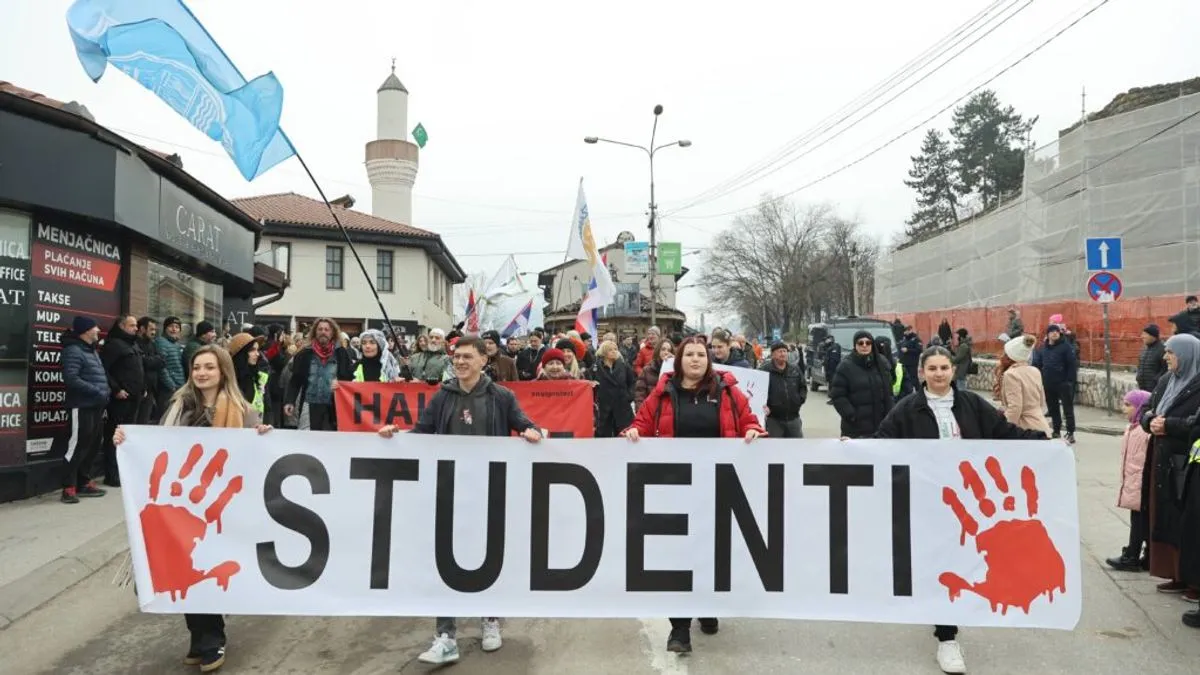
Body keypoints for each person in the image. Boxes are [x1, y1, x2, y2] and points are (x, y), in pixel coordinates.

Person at [871, 345, 1048, 674]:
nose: (939, 374)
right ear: (922, 372)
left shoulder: (970, 404)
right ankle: (947, 637)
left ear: (953, 371)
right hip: (929, 502)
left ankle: (950, 615)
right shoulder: (908, 408)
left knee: (966, 561)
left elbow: (1003, 433)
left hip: (970, 504)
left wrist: (1043, 442)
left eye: (944, 368)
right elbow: (883, 442)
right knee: (941, 563)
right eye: (932, 368)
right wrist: (850, 449)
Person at [377, 336, 543, 665]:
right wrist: (396, 439)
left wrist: (533, 432)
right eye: (457, 356)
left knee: (489, 555)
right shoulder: (444, 396)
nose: (460, 362)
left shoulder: (501, 396)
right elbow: (422, 433)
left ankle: (490, 619)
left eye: (468, 356)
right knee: (446, 561)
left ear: (484, 360)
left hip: (489, 490)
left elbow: (526, 425)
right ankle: (445, 635)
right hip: (450, 489)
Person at [113, 345, 272, 672]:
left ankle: (212, 640)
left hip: (221, 509)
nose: (201, 373)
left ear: (222, 371)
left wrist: (263, 435)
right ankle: (201, 638)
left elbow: (256, 457)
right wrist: (126, 439)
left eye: (209, 367)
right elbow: (157, 445)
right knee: (184, 570)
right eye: (197, 367)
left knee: (206, 571)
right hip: (182, 508)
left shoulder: (243, 410)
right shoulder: (177, 407)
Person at [620, 335, 764, 653]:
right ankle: (680, 628)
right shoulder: (662, 393)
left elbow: (749, 420)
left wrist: (753, 429)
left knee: (712, 552)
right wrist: (633, 432)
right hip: (675, 486)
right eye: (690, 355)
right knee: (679, 556)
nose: (696, 359)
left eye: (701, 354)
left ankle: (708, 607)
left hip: (717, 486)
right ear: (679, 360)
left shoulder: (727, 391)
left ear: (708, 360)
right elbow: (641, 423)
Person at [1140, 334, 1200, 601]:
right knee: (1164, 515)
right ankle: (1175, 573)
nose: (1165, 357)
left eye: (1171, 353)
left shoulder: (1197, 385)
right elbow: (1147, 410)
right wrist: (1150, 421)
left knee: (1187, 520)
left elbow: (1194, 424)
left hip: (1186, 462)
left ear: (1186, 355)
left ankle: (1193, 579)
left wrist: (1169, 425)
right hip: (1161, 457)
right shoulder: (1166, 381)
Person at [60, 316, 111, 504]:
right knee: (77, 445)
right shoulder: (73, 351)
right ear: (85, 330)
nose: (98, 330)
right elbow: (71, 378)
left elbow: (98, 376)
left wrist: (106, 391)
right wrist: (97, 391)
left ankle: (83, 482)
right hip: (81, 406)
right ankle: (68, 487)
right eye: (95, 327)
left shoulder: (91, 351)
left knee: (92, 444)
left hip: (96, 405)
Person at [1105, 389, 1153, 572]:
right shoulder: (1132, 428)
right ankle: (1145, 556)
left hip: (1140, 483)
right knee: (1141, 519)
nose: (1124, 408)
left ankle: (1132, 556)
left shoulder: (1144, 431)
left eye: (1128, 405)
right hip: (1133, 482)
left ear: (1140, 406)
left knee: (1140, 520)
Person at [99, 315, 148, 486]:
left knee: (128, 437)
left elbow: (139, 368)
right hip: (120, 400)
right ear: (121, 326)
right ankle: (112, 475)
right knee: (115, 437)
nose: (136, 328)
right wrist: (116, 389)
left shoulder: (132, 343)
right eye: (132, 325)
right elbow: (104, 370)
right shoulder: (113, 345)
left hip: (135, 397)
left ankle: (124, 471)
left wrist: (144, 388)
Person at [283, 318, 353, 431]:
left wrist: (340, 383)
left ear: (333, 333)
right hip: (309, 404)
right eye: (320, 329)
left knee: (333, 441)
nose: (323, 332)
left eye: (326, 329)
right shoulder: (304, 354)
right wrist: (289, 401)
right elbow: (295, 380)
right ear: (315, 332)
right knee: (308, 441)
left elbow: (349, 378)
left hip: (334, 407)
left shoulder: (341, 353)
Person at [829, 330, 894, 438]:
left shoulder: (881, 363)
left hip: (882, 427)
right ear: (855, 345)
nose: (864, 345)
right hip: (855, 429)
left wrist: (891, 414)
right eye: (860, 343)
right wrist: (851, 416)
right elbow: (837, 395)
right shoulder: (845, 366)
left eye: (868, 343)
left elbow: (889, 392)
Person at [1032, 324, 1078, 444]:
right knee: (1053, 409)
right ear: (1047, 335)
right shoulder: (1043, 349)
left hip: (1063, 383)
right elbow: (1037, 364)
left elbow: (1072, 365)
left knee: (1068, 408)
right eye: (1052, 331)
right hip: (1048, 384)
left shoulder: (1065, 347)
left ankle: (1070, 432)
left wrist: (1069, 381)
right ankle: (1056, 430)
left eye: (1056, 331)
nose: (1055, 333)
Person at [1000, 335, 1051, 435]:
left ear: (1009, 356)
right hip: (1041, 426)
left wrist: (1003, 429)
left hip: (1025, 430)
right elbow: (1042, 402)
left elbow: (1015, 408)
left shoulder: (1011, 374)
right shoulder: (1035, 371)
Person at [760, 341, 806, 437]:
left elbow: (803, 387)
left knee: (797, 448)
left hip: (794, 418)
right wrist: (764, 406)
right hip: (774, 420)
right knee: (775, 449)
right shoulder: (764, 370)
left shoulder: (795, 369)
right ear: (773, 354)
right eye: (780, 351)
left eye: (785, 351)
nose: (783, 354)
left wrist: (799, 400)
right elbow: (758, 391)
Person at [593, 340, 635, 437]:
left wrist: (629, 396)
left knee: (624, 436)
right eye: (610, 350)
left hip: (622, 406)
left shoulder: (624, 365)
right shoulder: (596, 367)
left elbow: (632, 382)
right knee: (604, 437)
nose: (614, 351)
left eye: (615, 349)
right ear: (604, 352)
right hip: (604, 408)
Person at [155, 316, 187, 421]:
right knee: (166, 419)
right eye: (171, 326)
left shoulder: (176, 344)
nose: (174, 329)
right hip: (168, 389)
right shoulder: (161, 342)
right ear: (165, 328)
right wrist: (171, 385)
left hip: (179, 387)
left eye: (177, 327)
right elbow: (161, 367)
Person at [228, 332, 268, 416]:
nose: (257, 354)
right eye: (252, 350)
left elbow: (267, 408)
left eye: (257, 350)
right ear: (241, 354)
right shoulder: (228, 381)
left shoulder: (258, 377)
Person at [135, 317, 164, 424]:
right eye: (151, 329)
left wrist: (151, 361)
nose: (154, 332)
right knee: (136, 421)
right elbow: (142, 362)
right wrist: (153, 361)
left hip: (151, 388)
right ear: (142, 329)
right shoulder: (135, 343)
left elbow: (162, 361)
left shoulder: (152, 343)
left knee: (144, 421)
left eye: (155, 330)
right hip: (140, 388)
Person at [635, 338, 676, 408]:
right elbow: (640, 394)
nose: (666, 352)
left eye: (669, 350)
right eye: (663, 349)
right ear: (658, 351)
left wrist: (675, 364)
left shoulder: (675, 371)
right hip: (650, 410)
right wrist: (641, 411)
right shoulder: (647, 370)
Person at [1137, 324, 1168, 392]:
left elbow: (1165, 369)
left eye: (1145, 334)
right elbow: (1139, 366)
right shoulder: (1144, 349)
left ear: (1153, 335)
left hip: (1155, 390)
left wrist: (1156, 380)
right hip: (1142, 388)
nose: (1142, 336)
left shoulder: (1163, 349)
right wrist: (1138, 376)